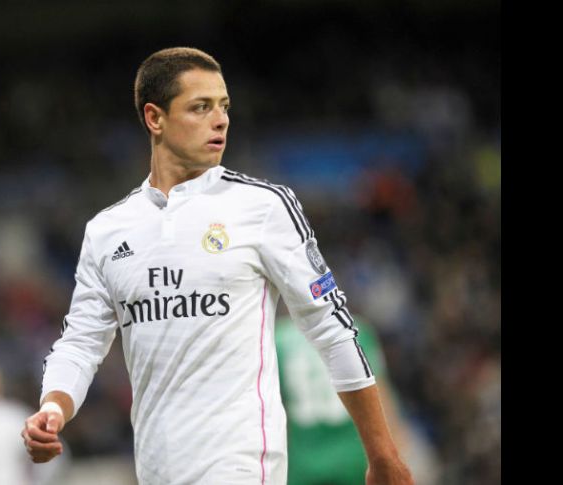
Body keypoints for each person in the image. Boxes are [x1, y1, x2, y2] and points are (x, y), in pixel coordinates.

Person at [22, 47, 414, 484]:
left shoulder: (263, 207)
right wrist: (53, 408)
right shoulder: (108, 231)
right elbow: (80, 342)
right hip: (155, 467)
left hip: (241, 463)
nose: (221, 119)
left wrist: (382, 455)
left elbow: (331, 327)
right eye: (200, 107)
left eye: (224, 106)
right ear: (155, 118)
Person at [276, 314, 436, 485]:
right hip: (354, 459)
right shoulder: (355, 329)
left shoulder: (278, 338)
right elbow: (380, 396)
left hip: (304, 464)